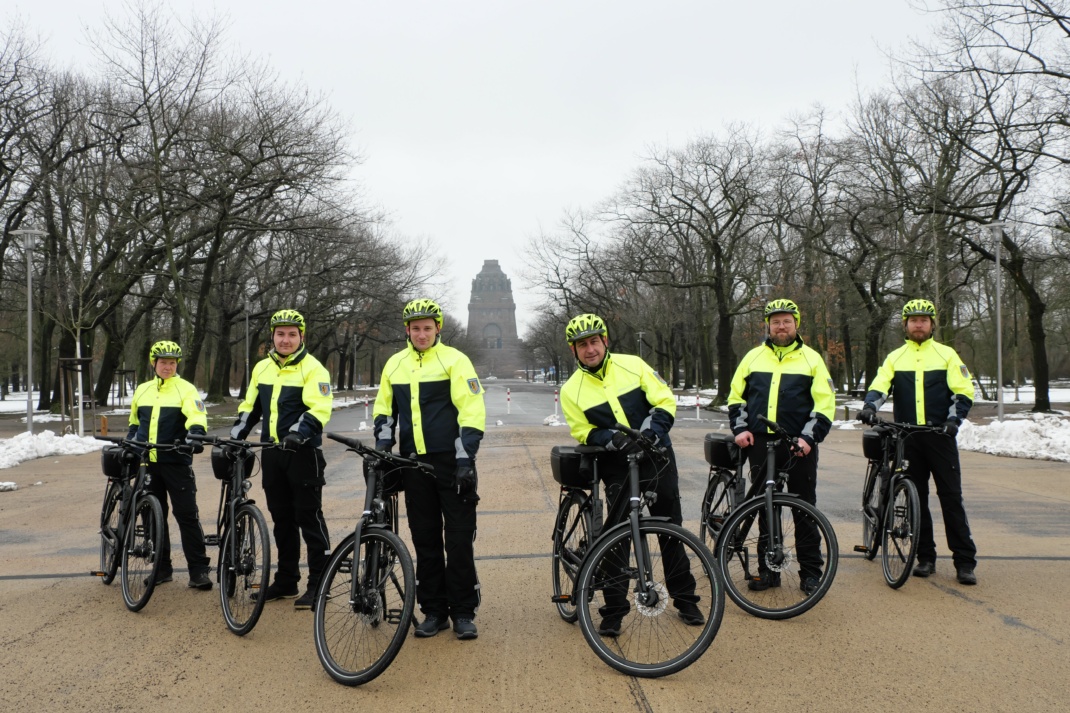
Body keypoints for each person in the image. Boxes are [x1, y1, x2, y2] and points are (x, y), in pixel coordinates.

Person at [558, 313, 704, 636]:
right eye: (582, 345)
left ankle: (686, 600)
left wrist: (652, 431)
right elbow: (582, 431)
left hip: (656, 458)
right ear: (574, 350)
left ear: (605, 341)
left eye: (594, 341)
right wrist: (610, 438)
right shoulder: (571, 390)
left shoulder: (634, 365)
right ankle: (614, 612)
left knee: (670, 531)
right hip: (617, 464)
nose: (590, 349)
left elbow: (664, 400)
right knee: (618, 538)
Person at [373, 299, 486, 640]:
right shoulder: (394, 364)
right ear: (407, 330)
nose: (421, 334)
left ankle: (463, 610)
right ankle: (434, 611)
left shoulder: (455, 360)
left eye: (427, 327)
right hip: (413, 463)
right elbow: (384, 410)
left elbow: (472, 410)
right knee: (425, 541)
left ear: (438, 328)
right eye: (415, 328)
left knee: (459, 539)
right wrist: (382, 446)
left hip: (452, 464)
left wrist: (466, 459)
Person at [860, 299, 978, 585]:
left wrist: (953, 421)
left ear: (932, 324)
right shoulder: (895, 357)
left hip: (940, 436)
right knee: (917, 499)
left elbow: (963, 392)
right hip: (908, 437)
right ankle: (925, 557)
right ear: (905, 325)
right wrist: (870, 406)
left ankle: (964, 562)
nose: (919, 324)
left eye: (924, 320)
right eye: (913, 320)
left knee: (951, 498)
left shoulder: (946, 354)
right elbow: (879, 386)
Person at [727, 299, 837, 595]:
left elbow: (825, 405)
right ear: (768, 325)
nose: (781, 326)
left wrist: (809, 438)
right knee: (766, 507)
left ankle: (811, 573)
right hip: (760, 442)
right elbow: (736, 397)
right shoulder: (752, 357)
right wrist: (740, 429)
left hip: (797, 443)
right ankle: (767, 571)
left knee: (804, 509)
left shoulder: (812, 359)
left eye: (786, 320)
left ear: (796, 323)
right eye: (775, 321)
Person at [231, 309, 333, 610]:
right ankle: (287, 580)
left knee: (309, 519)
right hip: (273, 454)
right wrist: (237, 434)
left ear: (301, 336)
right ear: (272, 337)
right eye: (280, 334)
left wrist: (298, 433)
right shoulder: (262, 368)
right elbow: (250, 408)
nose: (285, 340)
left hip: (303, 454)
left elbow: (320, 408)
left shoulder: (314, 369)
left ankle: (319, 584)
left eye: (291, 334)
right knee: (282, 521)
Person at [128, 340, 212, 590]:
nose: (168, 367)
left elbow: (197, 417)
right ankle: (162, 567)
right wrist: (131, 445)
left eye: (172, 363)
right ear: (153, 363)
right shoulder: (142, 390)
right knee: (153, 516)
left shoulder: (186, 389)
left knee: (187, 516)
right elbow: (135, 424)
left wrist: (196, 435)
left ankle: (198, 571)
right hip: (148, 463)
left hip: (175, 461)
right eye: (163, 362)